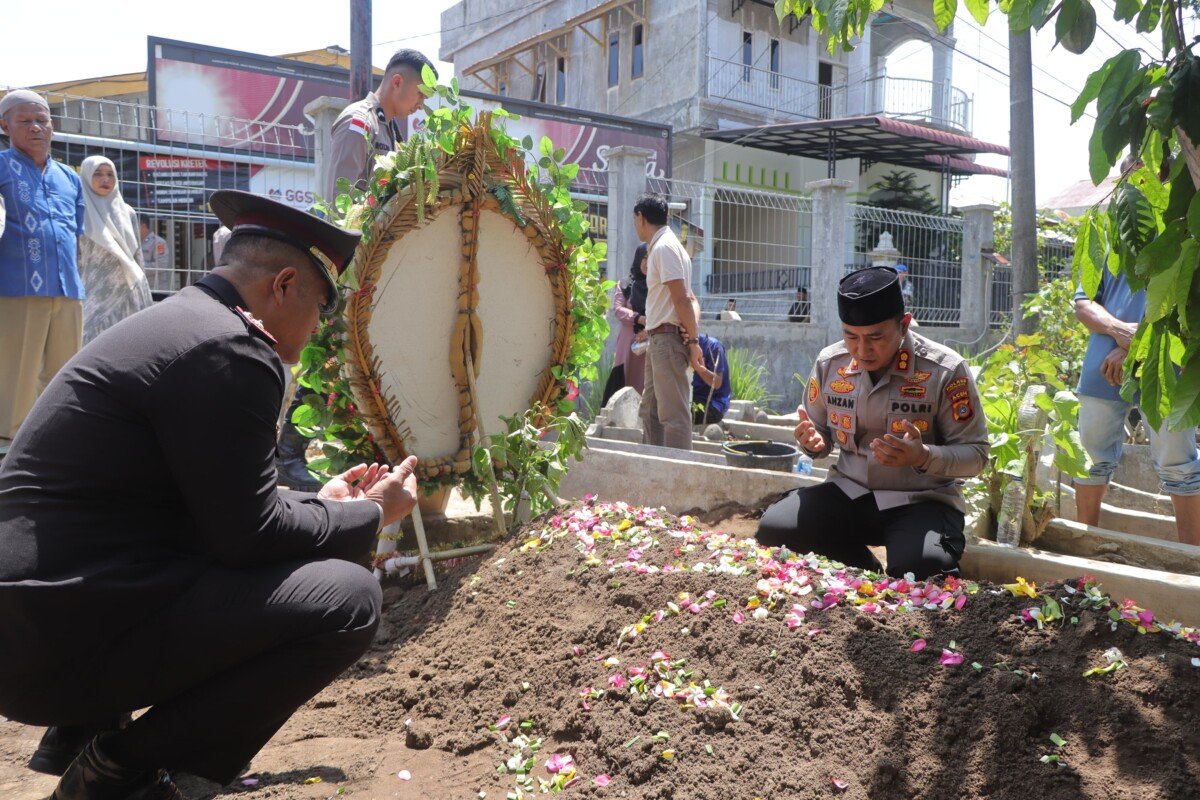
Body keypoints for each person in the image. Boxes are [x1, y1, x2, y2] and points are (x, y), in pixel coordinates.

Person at [0, 190, 420, 800]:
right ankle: (119, 771)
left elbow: (220, 502)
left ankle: (85, 733)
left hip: (38, 624)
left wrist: (325, 506)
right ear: (283, 285)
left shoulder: (182, 324)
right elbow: (248, 537)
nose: (316, 330)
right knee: (349, 599)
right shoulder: (232, 348)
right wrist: (371, 514)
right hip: (57, 642)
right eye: (320, 309)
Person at [756, 266, 988, 579]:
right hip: (850, 492)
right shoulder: (830, 363)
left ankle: (909, 561)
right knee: (776, 529)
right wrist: (814, 443)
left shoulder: (944, 370)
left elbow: (976, 455)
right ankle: (863, 569)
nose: (861, 350)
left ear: (904, 324)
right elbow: (819, 433)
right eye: (850, 336)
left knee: (925, 569)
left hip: (921, 501)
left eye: (876, 337)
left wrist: (923, 456)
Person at [1073, 270, 1200, 545]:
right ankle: (1084, 545)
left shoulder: (1185, 243)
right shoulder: (1107, 245)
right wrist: (1118, 330)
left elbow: (1189, 305)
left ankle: (1192, 558)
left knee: (1179, 463)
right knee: (1090, 459)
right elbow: (1083, 303)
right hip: (1103, 369)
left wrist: (1137, 344)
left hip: (1166, 368)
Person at [0, 89, 86, 443]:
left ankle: (56, 444)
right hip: (17, 289)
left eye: (42, 120)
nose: (35, 127)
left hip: (68, 291)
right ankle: (9, 449)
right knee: (16, 377)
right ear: (5, 126)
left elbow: (75, 234)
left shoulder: (70, 177)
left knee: (65, 375)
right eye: (24, 121)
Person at [635, 192, 703, 451]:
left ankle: (680, 472)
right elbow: (688, 299)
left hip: (666, 340)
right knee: (650, 412)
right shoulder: (665, 247)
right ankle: (653, 468)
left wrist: (693, 341)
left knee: (673, 417)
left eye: (635, 219)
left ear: (641, 217)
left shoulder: (664, 248)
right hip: (659, 340)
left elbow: (684, 299)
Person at [325, 48, 437, 204]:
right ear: (397, 82)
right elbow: (339, 200)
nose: (421, 105)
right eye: (420, 94)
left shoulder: (388, 128)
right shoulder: (359, 122)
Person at [78, 156, 152, 344]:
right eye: (98, 174)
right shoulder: (78, 211)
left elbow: (136, 257)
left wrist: (143, 292)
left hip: (129, 293)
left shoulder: (127, 213)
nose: (105, 179)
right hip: (93, 296)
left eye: (110, 174)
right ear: (86, 176)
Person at [601, 244, 648, 405]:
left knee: (643, 382)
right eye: (644, 258)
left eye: (652, 259)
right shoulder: (625, 284)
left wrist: (648, 330)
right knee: (622, 379)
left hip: (649, 341)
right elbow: (618, 309)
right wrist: (639, 318)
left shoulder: (658, 286)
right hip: (628, 341)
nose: (647, 263)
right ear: (638, 259)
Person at [692, 333, 730, 426]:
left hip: (713, 405)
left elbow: (717, 383)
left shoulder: (713, 346)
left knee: (676, 410)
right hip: (692, 398)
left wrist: (697, 366)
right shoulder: (678, 346)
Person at [140, 220, 172, 292]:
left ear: (143, 226)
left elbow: (161, 265)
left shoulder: (158, 242)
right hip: (143, 288)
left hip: (157, 289)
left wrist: (139, 267)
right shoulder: (137, 243)